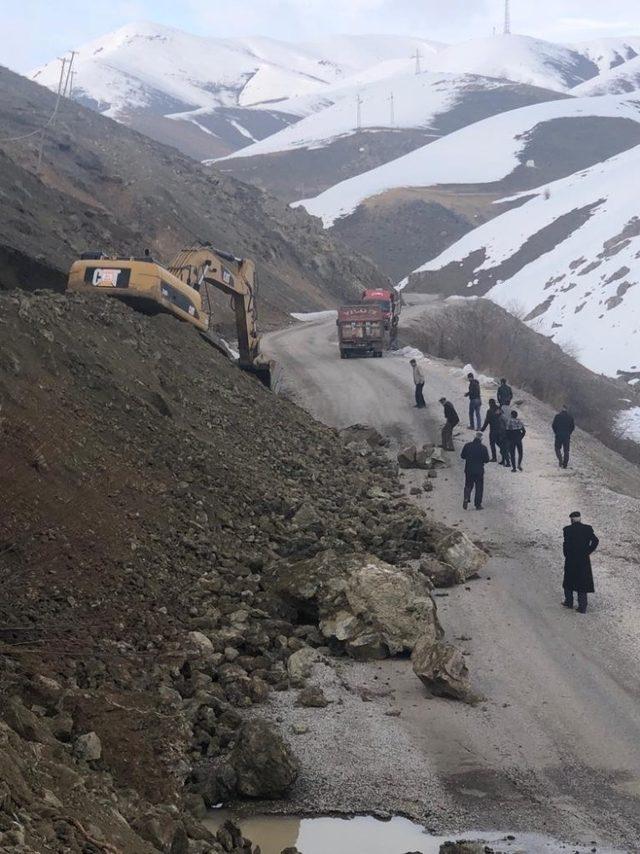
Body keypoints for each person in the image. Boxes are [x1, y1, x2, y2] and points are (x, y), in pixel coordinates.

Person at [562, 511, 599, 613]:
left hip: (571, 559)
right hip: (583, 560)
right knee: (582, 582)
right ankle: (582, 607)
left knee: (568, 581)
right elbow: (595, 541)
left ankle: (569, 602)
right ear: (580, 518)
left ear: (572, 519)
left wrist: (566, 554)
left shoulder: (567, 530)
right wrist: (588, 551)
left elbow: (566, 544)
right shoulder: (587, 529)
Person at [461, 432, 490, 510]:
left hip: (468, 469)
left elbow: (462, 456)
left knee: (468, 484)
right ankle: (478, 504)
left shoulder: (467, 445)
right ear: (481, 439)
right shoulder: (483, 448)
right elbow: (486, 460)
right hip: (479, 471)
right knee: (479, 487)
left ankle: (466, 497)